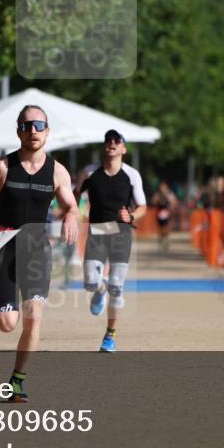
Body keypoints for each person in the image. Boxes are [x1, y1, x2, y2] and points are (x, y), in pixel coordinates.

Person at [0, 105, 78, 403]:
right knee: (7, 323)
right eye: (27, 126)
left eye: (39, 125)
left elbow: (71, 205)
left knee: (33, 318)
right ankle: (6, 318)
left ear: (48, 131)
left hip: (37, 244)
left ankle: (17, 381)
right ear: (18, 132)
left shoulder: (57, 171)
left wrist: (72, 216)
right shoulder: (2, 167)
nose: (33, 131)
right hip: (4, 241)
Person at [76, 129, 147, 353]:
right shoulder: (89, 172)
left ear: (124, 148)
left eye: (117, 141)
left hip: (121, 234)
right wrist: (73, 214)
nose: (112, 143)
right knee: (89, 281)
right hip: (97, 231)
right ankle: (99, 290)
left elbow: (143, 206)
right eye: (108, 140)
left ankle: (110, 336)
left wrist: (133, 215)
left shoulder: (132, 175)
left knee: (117, 287)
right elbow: (76, 196)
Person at [151, 181, 177, 252]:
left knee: (166, 229)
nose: (162, 188)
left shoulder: (169, 194)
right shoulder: (158, 194)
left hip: (166, 213)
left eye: (164, 187)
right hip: (159, 214)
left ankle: (166, 242)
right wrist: (157, 200)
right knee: (160, 229)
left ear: (166, 187)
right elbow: (153, 201)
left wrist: (170, 203)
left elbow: (174, 202)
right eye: (161, 187)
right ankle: (160, 241)